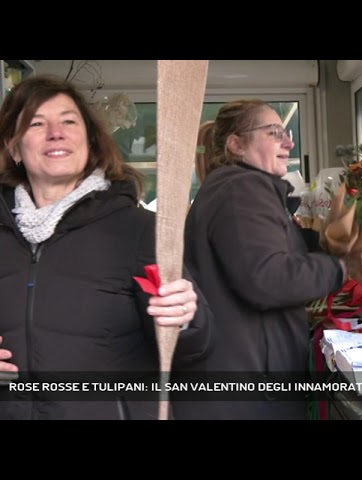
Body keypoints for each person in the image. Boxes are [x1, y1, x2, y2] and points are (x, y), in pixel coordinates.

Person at [0, 75, 215, 420]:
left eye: (69, 121)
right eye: (36, 123)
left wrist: (188, 318)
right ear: (13, 147)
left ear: (91, 141)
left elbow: (194, 349)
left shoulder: (139, 230)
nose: (56, 132)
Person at [180, 100, 346, 420]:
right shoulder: (242, 187)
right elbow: (267, 279)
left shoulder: (232, 187)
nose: (289, 142)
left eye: (286, 133)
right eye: (274, 133)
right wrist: (341, 268)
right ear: (236, 145)